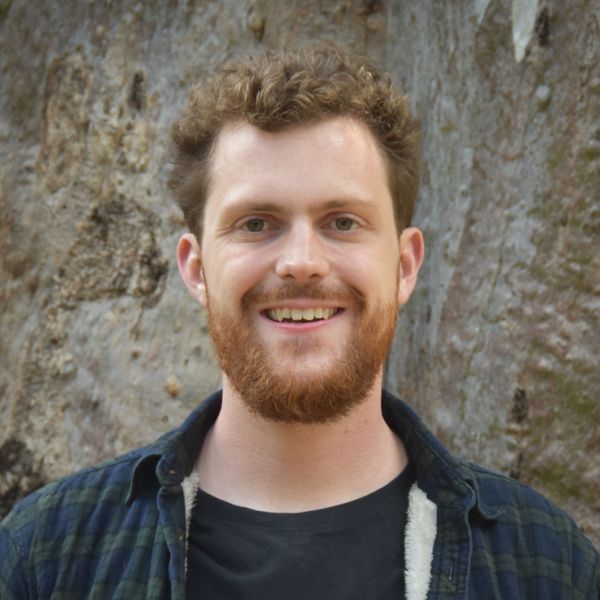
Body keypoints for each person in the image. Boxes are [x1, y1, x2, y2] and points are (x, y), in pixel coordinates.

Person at [0, 45, 598, 600]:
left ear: (405, 263)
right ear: (197, 267)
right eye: (257, 223)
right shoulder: (47, 557)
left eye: (342, 222)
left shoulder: (547, 563)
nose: (303, 263)